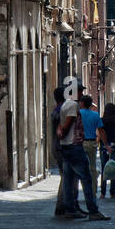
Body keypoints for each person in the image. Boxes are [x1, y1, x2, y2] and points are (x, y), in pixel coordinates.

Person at [57, 79, 109, 221]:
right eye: (80, 91)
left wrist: (61, 134)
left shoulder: (64, 105)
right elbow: (67, 125)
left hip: (66, 146)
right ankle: (93, 210)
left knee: (68, 179)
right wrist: (65, 132)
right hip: (74, 146)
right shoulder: (73, 105)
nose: (81, 93)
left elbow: (60, 125)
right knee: (86, 179)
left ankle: (70, 209)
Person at [98, 102, 115, 199]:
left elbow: (99, 133)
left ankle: (102, 193)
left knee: (104, 169)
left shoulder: (101, 120)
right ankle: (112, 193)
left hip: (103, 146)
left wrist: (100, 143)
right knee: (113, 168)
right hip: (113, 146)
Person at [79, 95, 103, 198]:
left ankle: (85, 191)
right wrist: (106, 144)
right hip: (92, 143)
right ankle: (92, 192)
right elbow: (101, 131)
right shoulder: (95, 115)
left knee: (81, 168)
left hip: (81, 143)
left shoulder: (78, 114)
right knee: (92, 168)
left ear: (82, 103)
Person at [51, 87, 66, 216]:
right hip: (61, 147)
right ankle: (61, 206)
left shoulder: (56, 110)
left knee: (65, 176)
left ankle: (63, 205)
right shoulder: (62, 111)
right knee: (67, 176)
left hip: (56, 146)